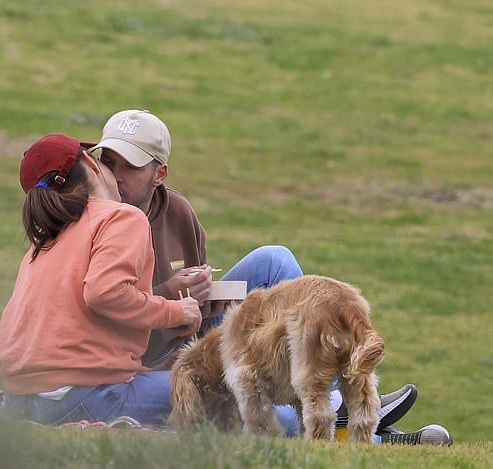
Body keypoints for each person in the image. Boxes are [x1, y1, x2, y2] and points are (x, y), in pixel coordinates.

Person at [88, 109, 452, 445]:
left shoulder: (178, 210)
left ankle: (337, 398)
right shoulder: (93, 215)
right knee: (262, 404)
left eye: (131, 165)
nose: (116, 175)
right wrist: (170, 295)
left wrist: (202, 293)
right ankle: (376, 438)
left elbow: (196, 314)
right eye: (108, 161)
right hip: (138, 358)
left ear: (160, 174)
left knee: (274, 261)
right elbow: (93, 312)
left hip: (182, 334)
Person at [0, 133, 202, 426]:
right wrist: (177, 311)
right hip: (84, 398)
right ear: (91, 164)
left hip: (19, 402)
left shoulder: (44, 240)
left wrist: (140, 369)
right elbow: (105, 293)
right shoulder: (121, 217)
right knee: (226, 394)